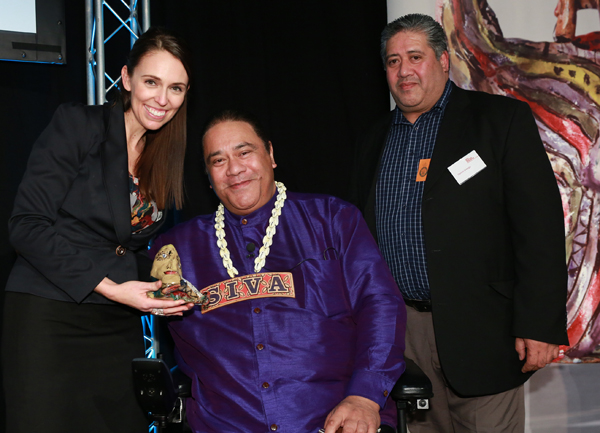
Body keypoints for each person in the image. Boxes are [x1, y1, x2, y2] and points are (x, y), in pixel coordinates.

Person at [351, 13, 569, 433]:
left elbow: (539, 230)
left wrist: (539, 324)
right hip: (402, 335)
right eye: (393, 61)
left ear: (444, 60)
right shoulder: (372, 138)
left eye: (415, 56)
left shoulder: (500, 121)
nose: (404, 70)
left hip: (484, 332)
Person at [149, 110, 406, 433]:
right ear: (208, 176)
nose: (234, 169)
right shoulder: (176, 250)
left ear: (270, 155)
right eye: (218, 161)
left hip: (337, 420)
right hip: (227, 426)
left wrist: (365, 397)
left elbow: (380, 306)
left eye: (245, 152)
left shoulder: (333, 220)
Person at [2, 27, 194, 433]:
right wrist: (110, 286)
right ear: (126, 79)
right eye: (151, 82)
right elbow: (26, 226)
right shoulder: (78, 124)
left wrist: (170, 288)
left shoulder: (167, 157)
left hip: (116, 328)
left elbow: (129, 248)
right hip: (50, 318)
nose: (162, 99)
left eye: (175, 88)